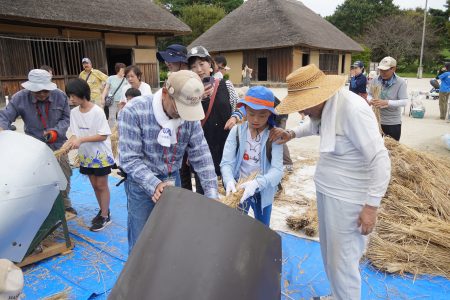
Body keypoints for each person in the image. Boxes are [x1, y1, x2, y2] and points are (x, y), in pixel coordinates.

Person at [269, 64, 391, 300]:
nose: (301, 112)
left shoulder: (353, 110)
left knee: (343, 259)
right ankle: (337, 295)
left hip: (349, 199)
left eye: (303, 105)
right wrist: (292, 134)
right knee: (330, 253)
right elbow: (313, 125)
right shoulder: (324, 108)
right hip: (329, 192)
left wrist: (371, 206)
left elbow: (380, 158)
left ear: (318, 95)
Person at [118, 70, 218, 251]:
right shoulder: (135, 111)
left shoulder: (189, 117)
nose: (183, 116)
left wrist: (212, 193)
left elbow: (201, 154)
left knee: (170, 235)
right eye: (179, 108)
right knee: (141, 237)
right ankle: (138, 276)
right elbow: (129, 159)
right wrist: (154, 184)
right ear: (166, 94)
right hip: (142, 183)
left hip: (173, 178)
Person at [0, 69, 75, 214]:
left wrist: (56, 131)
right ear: (29, 88)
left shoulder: (61, 96)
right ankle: (42, 208)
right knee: (36, 178)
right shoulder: (19, 98)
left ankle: (65, 204)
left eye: (45, 90)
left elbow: (66, 118)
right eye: (37, 91)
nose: (42, 94)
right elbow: (4, 117)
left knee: (63, 174)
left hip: (58, 145)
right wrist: (2, 129)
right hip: (33, 147)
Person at [220, 86, 283, 226]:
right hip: (239, 186)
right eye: (251, 113)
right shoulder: (237, 131)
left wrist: (257, 183)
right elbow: (226, 162)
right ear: (245, 110)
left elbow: (278, 170)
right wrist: (229, 180)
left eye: (262, 115)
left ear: (270, 114)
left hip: (263, 188)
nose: (255, 119)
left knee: (262, 227)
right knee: (237, 226)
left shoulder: (274, 136)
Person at [65, 78, 115, 232]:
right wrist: (71, 141)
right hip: (86, 155)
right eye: (69, 96)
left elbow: (103, 135)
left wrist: (81, 139)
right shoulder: (74, 112)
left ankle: (105, 216)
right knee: (94, 185)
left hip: (100, 155)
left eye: (73, 96)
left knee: (101, 185)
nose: (71, 99)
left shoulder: (97, 111)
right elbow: (73, 133)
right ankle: (103, 210)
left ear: (82, 94)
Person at [186, 46, 234, 194]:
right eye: (193, 66)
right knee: (203, 190)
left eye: (201, 64)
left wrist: (234, 117)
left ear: (210, 65)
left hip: (225, 145)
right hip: (202, 148)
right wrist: (199, 99)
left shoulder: (226, 85)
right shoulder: (188, 92)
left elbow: (238, 107)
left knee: (230, 186)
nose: (198, 69)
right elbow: (186, 119)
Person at [371, 56, 408, 141]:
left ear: (393, 69)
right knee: (375, 147)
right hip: (376, 120)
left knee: (392, 149)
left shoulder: (400, 82)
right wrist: (371, 100)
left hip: (393, 122)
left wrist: (387, 102)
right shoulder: (375, 80)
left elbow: (404, 102)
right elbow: (369, 94)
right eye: (381, 70)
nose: (382, 72)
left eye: (385, 70)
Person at [101, 63, 126, 127]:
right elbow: (106, 89)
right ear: (118, 70)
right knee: (112, 117)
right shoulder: (111, 78)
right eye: (122, 70)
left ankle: (120, 130)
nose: (124, 71)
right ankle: (112, 132)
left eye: (124, 70)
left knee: (122, 117)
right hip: (113, 101)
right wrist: (103, 98)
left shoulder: (126, 80)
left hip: (122, 101)